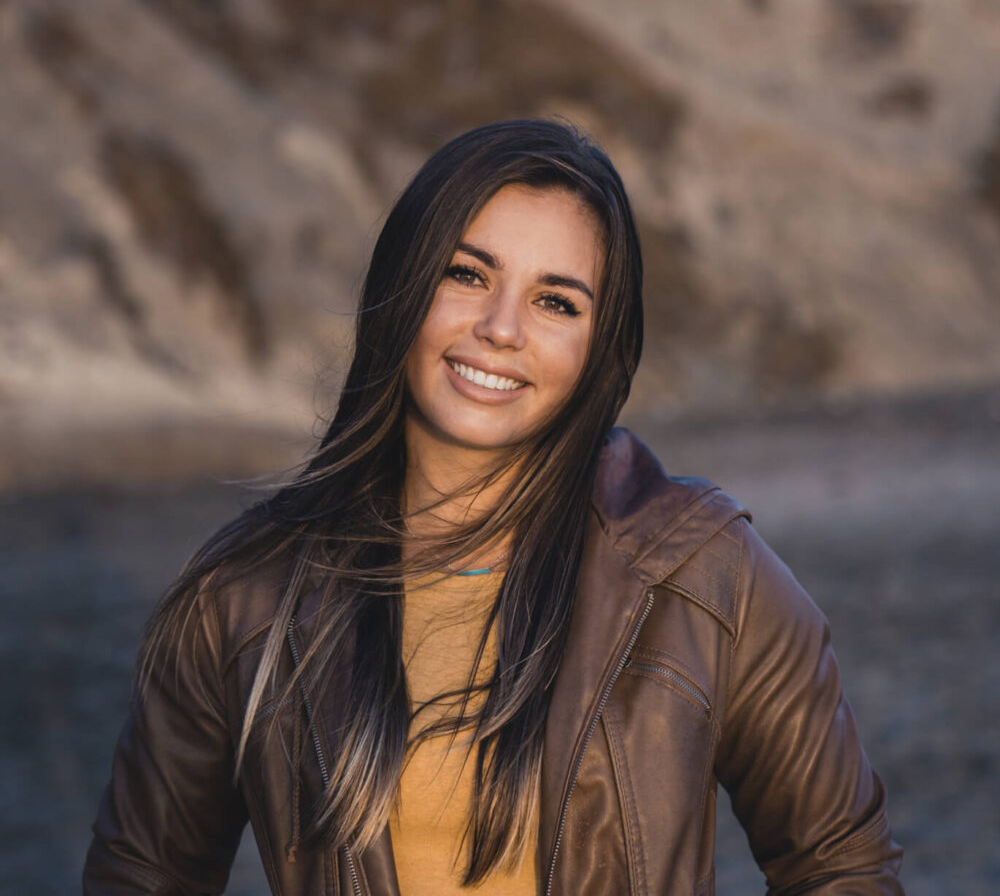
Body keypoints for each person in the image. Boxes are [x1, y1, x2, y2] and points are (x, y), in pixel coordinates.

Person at [84, 119, 903, 895]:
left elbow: (840, 865)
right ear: (405, 288)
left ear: (598, 351)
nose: (501, 328)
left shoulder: (704, 571)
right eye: (466, 274)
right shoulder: (243, 595)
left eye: (557, 302)